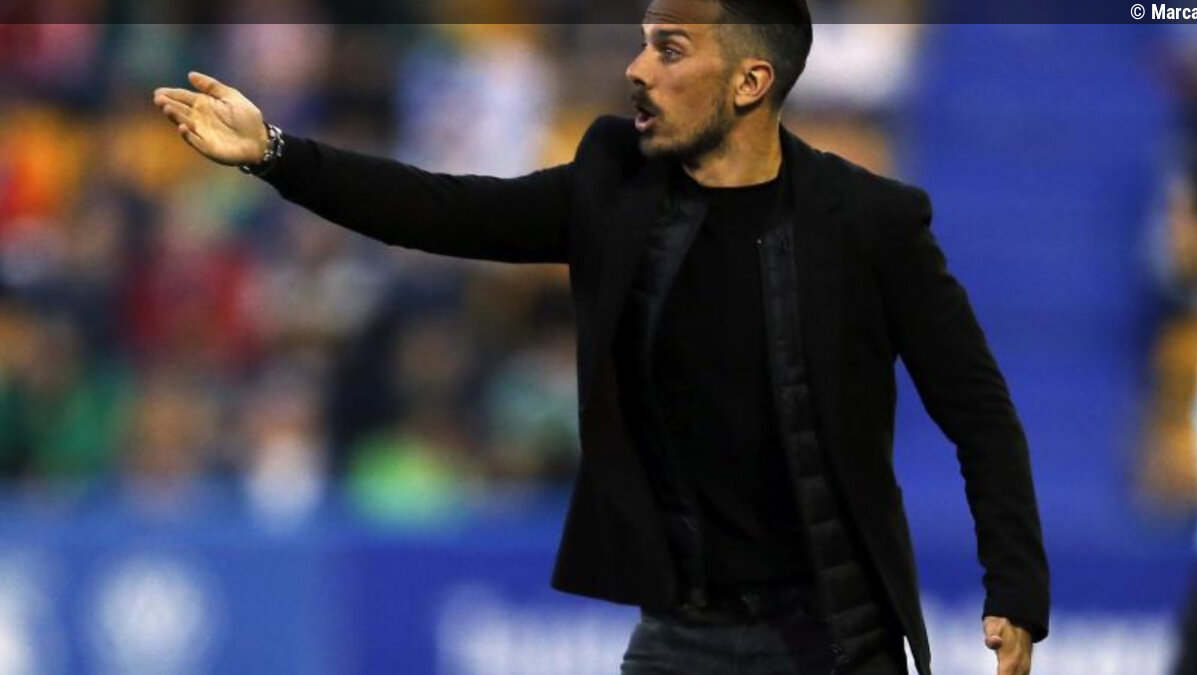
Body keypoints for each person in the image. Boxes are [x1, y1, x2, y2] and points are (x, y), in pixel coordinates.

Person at [152, 1, 1050, 673]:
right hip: (680, 635)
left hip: (836, 639)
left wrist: (1014, 587)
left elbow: (977, 410)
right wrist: (277, 153)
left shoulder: (869, 223)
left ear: (750, 82)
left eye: (670, 48)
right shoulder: (616, 185)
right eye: (643, 41)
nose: (637, 68)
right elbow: (443, 209)